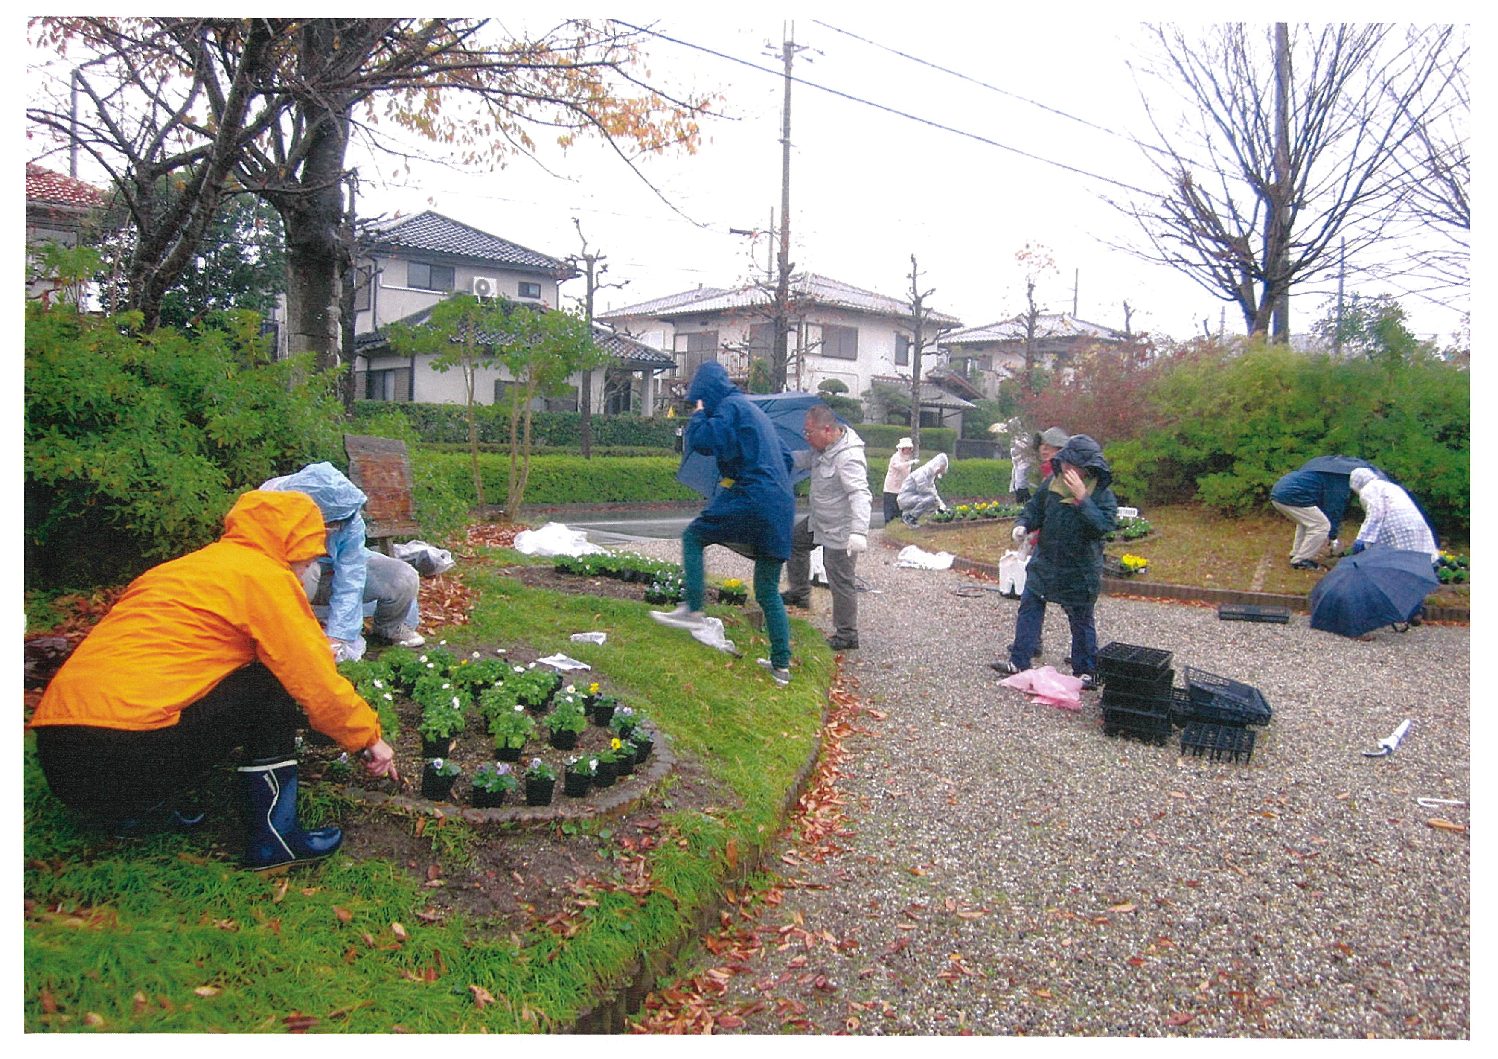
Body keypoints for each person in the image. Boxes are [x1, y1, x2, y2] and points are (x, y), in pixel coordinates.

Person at [28, 490, 399, 871]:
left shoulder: (179, 570)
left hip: (59, 755)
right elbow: (313, 679)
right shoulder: (264, 577)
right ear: (293, 547)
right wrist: (368, 738)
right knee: (268, 685)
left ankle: (136, 811)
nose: (307, 571)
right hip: (125, 756)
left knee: (200, 686)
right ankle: (275, 839)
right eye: (308, 561)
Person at [650, 362, 796, 686]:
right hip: (782, 505)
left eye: (700, 396)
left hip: (753, 496)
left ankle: (693, 610)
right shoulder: (754, 412)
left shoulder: (728, 407)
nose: (699, 402)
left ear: (708, 392)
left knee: (693, 536)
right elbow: (786, 458)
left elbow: (702, 440)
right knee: (767, 589)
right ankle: (781, 667)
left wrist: (700, 413)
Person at [262, 462, 424, 660]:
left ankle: (388, 628)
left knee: (402, 576)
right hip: (289, 579)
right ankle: (285, 637)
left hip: (331, 574)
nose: (337, 527)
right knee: (305, 572)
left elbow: (351, 577)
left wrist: (337, 636)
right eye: (331, 523)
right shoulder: (270, 504)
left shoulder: (346, 510)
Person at [992, 434, 1118, 689]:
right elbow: (1035, 509)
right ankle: (1019, 660)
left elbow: (1103, 526)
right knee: (1030, 605)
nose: (1066, 468)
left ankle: (1085, 671)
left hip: (1080, 568)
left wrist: (1083, 499)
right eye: (1065, 463)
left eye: (1073, 465)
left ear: (1087, 468)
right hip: (1046, 560)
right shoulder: (1052, 483)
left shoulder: (1101, 494)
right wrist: (1023, 525)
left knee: (1081, 618)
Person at [782, 403, 873, 651]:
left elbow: (860, 494)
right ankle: (800, 593)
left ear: (827, 430)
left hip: (841, 531)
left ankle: (847, 634)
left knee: (840, 579)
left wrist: (858, 532)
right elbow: (804, 459)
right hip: (819, 521)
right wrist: (779, 453)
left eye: (809, 432)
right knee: (794, 542)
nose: (806, 436)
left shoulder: (849, 457)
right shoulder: (822, 449)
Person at [1269, 460, 1358, 570]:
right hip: (1291, 494)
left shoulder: (1325, 472)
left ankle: (1296, 553)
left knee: (1308, 522)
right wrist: (1333, 536)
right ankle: (1301, 560)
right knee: (1322, 526)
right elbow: (1334, 510)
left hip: (1280, 491)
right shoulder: (1340, 482)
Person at [1347, 467, 1439, 560]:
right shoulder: (1389, 486)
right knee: (1418, 556)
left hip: (1397, 524)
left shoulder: (1368, 489)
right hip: (1415, 521)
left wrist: (1363, 537)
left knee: (1398, 558)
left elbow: (1375, 514)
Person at [897, 451, 950, 526]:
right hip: (905, 499)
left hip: (910, 498)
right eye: (940, 470)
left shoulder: (930, 476)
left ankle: (908, 516)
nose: (939, 472)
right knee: (930, 499)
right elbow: (922, 489)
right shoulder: (922, 473)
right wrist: (937, 501)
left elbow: (933, 491)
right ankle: (910, 518)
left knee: (931, 499)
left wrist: (942, 505)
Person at [882, 437, 916, 524]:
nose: (908, 451)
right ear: (902, 448)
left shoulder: (907, 459)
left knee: (899, 512)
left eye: (910, 449)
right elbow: (899, 466)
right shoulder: (896, 457)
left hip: (901, 490)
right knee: (890, 513)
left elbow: (907, 475)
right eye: (907, 448)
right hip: (890, 490)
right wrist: (910, 463)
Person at [1010, 429, 1038, 505]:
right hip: (1019, 469)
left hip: (1025, 466)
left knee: (1022, 485)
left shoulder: (1026, 438)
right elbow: (1014, 454)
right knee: (1019, 486)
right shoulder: (1016, 440)